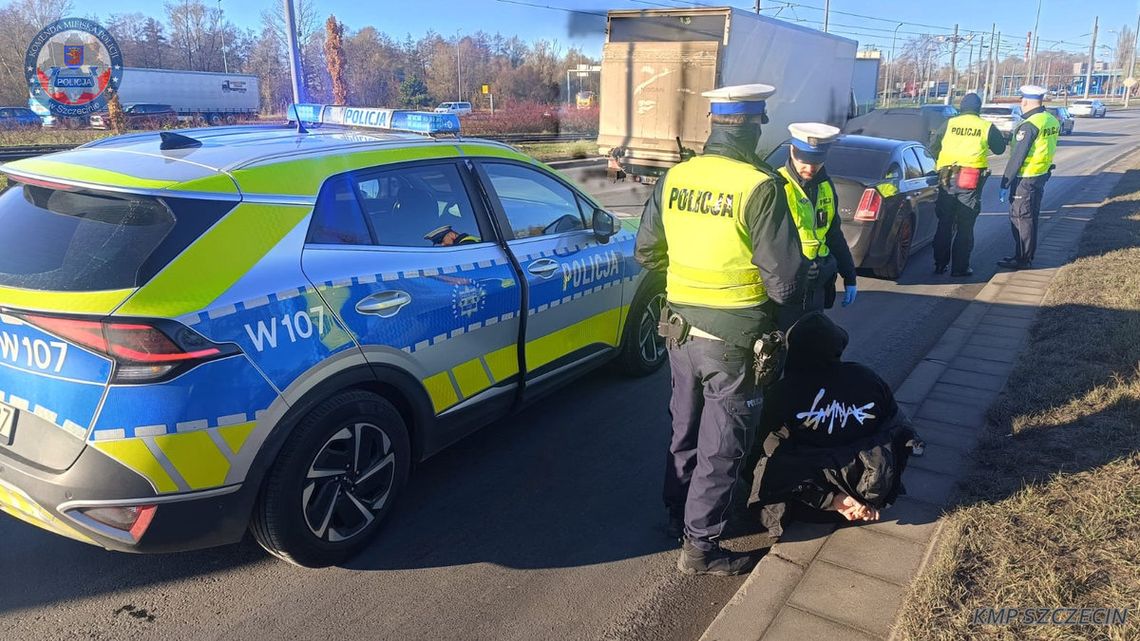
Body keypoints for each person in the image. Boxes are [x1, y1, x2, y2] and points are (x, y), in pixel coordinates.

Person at [635, 83, 805, 576]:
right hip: (733, 340)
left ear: (714, 126)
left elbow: (646, 252)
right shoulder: (760, 185)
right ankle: (701, 549)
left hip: (679, 332)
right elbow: (787, 282)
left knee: (683, 427)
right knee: (723, 446)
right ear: (754, 127)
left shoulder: (675, 178)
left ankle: (677, 515)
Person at [747, 312, 923, 536]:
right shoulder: (865, 376)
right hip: (872, 485)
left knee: (766, 446)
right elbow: (896, 425)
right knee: (892, 427)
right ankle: (855, 498)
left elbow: (758, 440)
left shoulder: (783, 392)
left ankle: (837, 501)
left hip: (808, 506)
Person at [776, 122, 857, 330]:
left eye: (817, 160)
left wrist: (849, 276)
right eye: (804, 160)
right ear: (792, 151)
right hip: (788, 287)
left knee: (810, 346)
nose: (811, 168)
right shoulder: (776, 185)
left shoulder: (826, 186)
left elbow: (833, 234)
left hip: (817, 285)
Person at [929, 92, 1008, 276]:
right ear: (978, 109)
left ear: (961, 107)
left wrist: (938, 163)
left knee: (944, 223)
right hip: (970, 178)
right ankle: (960, 268)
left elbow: (933, 145)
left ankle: (940, 264)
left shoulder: (950, 123)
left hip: (946, 176)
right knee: (965, 225)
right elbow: (999, 149)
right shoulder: (985, 126)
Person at [997, 85, 1060, 270]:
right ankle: (1023, 254)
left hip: (1025, 177)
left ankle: (1023, 258)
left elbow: (1018, 156)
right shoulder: (1050, 119)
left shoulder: (1030, 125)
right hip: (1040, 174)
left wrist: (1005, 182)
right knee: (1030, 216)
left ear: (1024, 101)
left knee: (1021, 218)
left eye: (1021, 100)